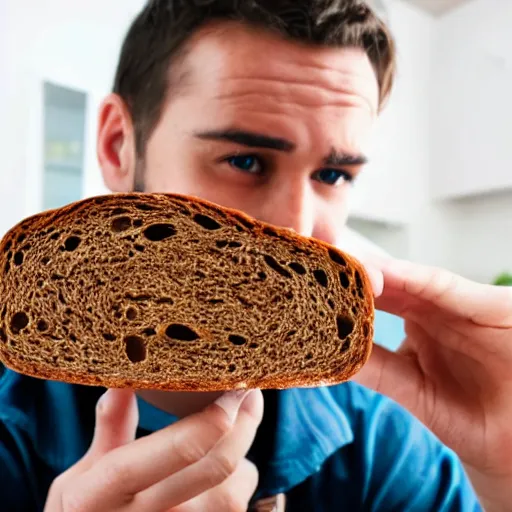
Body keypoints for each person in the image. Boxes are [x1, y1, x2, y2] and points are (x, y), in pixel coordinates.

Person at [1, 0, 511, 510]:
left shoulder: (385, 444)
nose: (299, 229)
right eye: (244, 161)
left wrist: (504, 477)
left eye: (333, 175)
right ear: (118, 146)